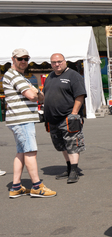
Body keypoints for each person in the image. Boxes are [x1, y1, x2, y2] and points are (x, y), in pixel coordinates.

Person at [4, 48, 56, 198]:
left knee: (22, 151)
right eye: (20, 58)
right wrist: (37, 93)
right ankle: (37, 186)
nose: (23, 61)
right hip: (22, 120)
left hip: (19, 119)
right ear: (13, 58)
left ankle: (16, 186)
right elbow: (34, 96)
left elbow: (39, 97)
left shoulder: (17, 76)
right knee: (30, 151)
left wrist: (37, 94)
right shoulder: (15, 76)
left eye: (26, 59)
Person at [42, 53, 87, 184]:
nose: (57, 64)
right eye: (54, 62)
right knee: (61, 145)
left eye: (59, 61)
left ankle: (74, 170)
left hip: (68, 117)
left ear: (65, 61)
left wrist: (74, 113)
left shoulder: (73, 76)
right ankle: (68, 168)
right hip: (53, 119)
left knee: (73, 144)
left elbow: (80, 95)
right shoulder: (50, 76)